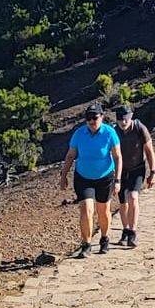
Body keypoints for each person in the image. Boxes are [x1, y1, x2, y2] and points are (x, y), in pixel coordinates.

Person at [61, 103, 123, 257]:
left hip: (105, 177)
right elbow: (70, 155)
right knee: (86, 209)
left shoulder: (110, 133)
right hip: (83, 177)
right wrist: (63, 176)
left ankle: (104, 238)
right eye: (88, 118)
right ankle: (86, 244)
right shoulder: (79, 134)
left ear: (101, 117)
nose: (91, 121)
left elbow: (117, 157)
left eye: (94, 118)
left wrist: (118, 180)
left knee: (103, 211)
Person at [113, 104, 155, 248]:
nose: (123, 122)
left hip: (137, 168)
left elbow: (149, 151)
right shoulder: (114, 132)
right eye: (120, 120)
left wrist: (153, 172)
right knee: (123, 203)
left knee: (133, 197)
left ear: (130, 117)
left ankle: (133, 231)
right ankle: (125, 230)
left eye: (125, 119)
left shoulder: (140, 128)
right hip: (121, 171)